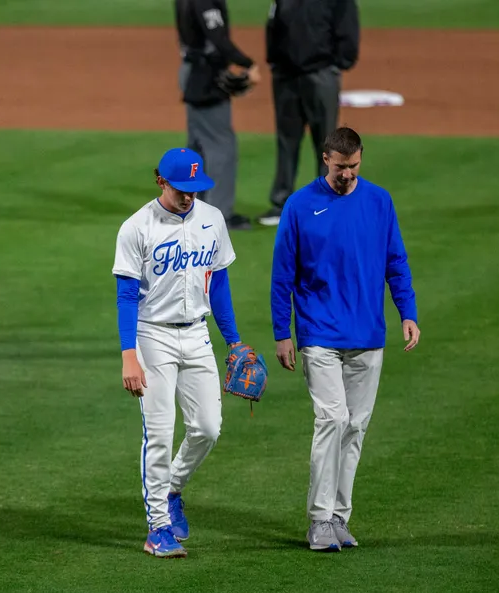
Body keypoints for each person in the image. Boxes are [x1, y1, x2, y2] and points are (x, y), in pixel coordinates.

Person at [270, 127, 420, 551]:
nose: (347, 175)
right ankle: (318, 520)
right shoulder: (300, 206)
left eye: (353, 166)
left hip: (368, 335)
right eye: (340, 168)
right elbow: (283, 276)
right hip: (319, 335)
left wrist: (407, 312)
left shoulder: (379, 201)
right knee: (331, 420)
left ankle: (339, 516)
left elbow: (396, 262)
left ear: (360, 159)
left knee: (355, 427)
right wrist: (284, 333)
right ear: (325, 160)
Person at [112, 147, 248, 558]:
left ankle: (172, 488)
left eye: (194, 188)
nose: (189, 196)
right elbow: (125, 296)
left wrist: (235, 340)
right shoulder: (137, 227)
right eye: (180, 189)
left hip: (198, 335)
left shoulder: (212, 219)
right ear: (161, 182)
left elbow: (218, 284)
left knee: (207, 427)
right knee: (159, 432)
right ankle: (158, 527)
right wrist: (128, 354)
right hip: (152, 336)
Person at [257, 0, 360, 227]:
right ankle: (281, 203)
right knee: (287, 140)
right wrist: (274, 62)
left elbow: (348, 30)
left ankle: (329, 200)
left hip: (320, 73)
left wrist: (336, 64)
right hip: (286, 77)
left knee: (326, 143)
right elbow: (273, 25)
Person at [175, 0, 261, 231]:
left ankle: (192, 208)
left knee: (198, 146)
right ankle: (220, 214)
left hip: (194, 70)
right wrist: (247, 64)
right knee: (221, 145)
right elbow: (217, 38)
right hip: (203, 76)